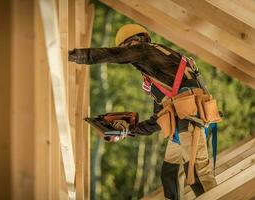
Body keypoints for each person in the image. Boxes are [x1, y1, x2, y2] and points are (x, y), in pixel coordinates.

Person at [68, 24, 218, 200]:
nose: (127, 56)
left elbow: (114, 55)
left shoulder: (146, 50)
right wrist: (129, 130)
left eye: (125, 49)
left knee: (198, 174)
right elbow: (157, 120)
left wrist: (75, 55)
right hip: (182, 122)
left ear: (136, 42)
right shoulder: (158, 75)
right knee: (169, 173)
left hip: (189, 120)